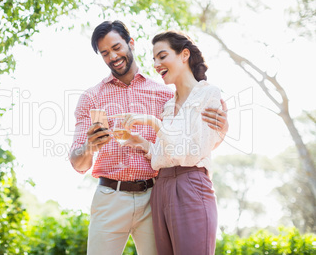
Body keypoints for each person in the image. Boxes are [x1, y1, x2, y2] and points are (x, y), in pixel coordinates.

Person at [69, 21, 228, 255]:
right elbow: (77, 162)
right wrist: (89, 146)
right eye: (105, 53)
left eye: (116, 47)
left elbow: (193, 140)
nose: (113, 56)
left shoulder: (166, 94)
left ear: (130, 43)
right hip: (109, 198)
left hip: (155, 197)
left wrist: (222, 127)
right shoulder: (91, 97)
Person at [121, 30, 223, 254]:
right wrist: (143, 144)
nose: (156, 64)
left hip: (191, 185)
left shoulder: (209, 95)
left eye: (162, 56)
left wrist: (153, 123)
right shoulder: (168, 105)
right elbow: (166, 155)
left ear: (184, 54)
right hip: (162, 188)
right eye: (154, 59)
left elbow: (191, 151)